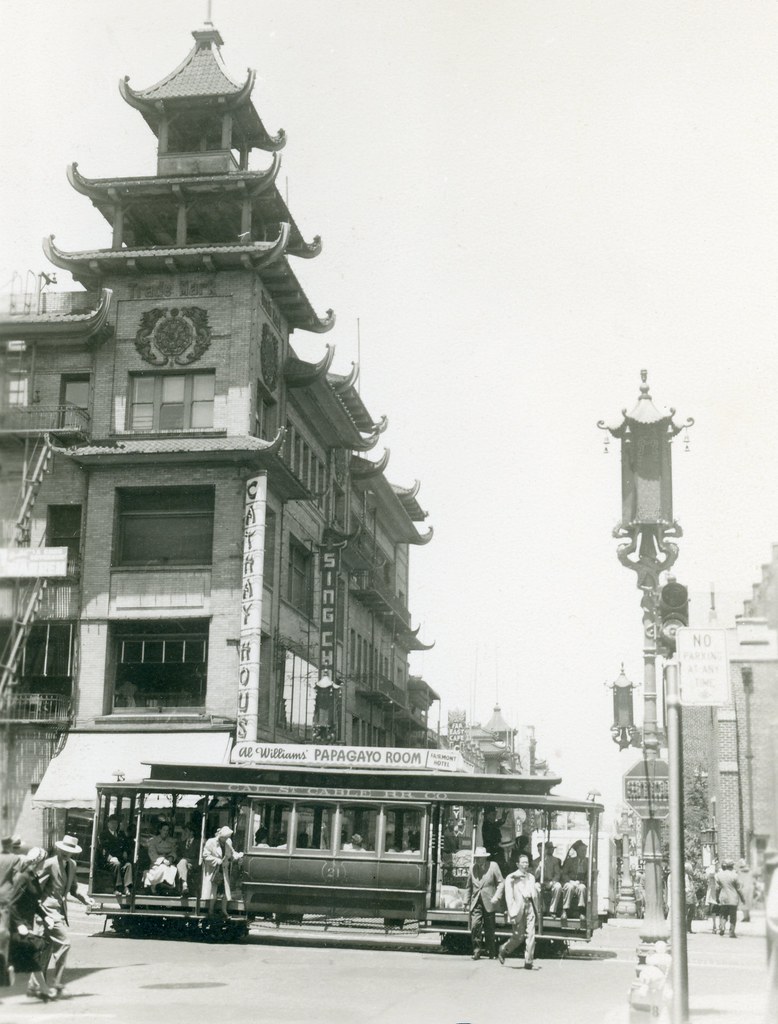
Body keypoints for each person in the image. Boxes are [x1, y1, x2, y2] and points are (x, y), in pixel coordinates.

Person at [39, 834, 94, 997]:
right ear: (58, 848)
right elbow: (36, 887)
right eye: (63, 850)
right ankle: (56, 983)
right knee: (64, 943)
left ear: (73, 853)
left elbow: (74, 888)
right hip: (48, 910)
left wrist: (85, 899)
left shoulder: (72, 865)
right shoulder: (49, 864)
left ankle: (38, 984)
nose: (65, 853)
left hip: (60, 911)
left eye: (69, 851)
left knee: (46, 947)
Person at [9, 847, 53, 1002]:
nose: (44, 863)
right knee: (40, 947)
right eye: (43, 860)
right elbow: (11, 903)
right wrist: (20, 924)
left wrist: (45, 916)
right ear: (37, 862)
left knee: (30, 955)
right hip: (15, 924)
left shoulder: (33, 877)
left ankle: (40, 988)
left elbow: (34, 903)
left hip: (26, 924)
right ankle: (42, 988)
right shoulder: (22, 877)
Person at [498, 853, 540, 970]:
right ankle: (504, 949)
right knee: (518, 936)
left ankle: (528, 961)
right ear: (518, 864)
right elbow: (509, 897)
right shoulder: (511, 878)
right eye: (523, 862)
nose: (525, 865)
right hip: (518, 908)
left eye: (527, 862)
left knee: (531, 934)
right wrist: (512, 912)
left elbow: (534, 894)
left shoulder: (531, 877)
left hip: (530, 906)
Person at [464, 846, 504, 960]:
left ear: (485, 858)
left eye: (480, 858)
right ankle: (476, 951)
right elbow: (468, 886)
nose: (478, 860)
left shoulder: (493, 866)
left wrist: (497, 896)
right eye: (477, 858)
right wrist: (466, 902)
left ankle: (491, 951)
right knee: (475, 925)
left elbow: (501, 883)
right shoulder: (472, 868)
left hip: (489, 902)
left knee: (489, 928)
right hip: (476, 901)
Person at [202, 826, 244, 917]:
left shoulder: (228, 842)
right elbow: (205, 855)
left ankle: (224, 910)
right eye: (224, 838)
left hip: (224, 870)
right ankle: (211, 910)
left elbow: (232, 854)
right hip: (214, 870)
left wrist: (239, 856)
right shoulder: (211, 842)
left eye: (227, 837)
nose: (226, 839)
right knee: (214, 891)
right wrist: (216, 860)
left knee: (225, 892)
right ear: (220, 836)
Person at [99, 814, 134, 895]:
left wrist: (125, 851)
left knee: (128, 865)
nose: (114, 825)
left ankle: (126, 888)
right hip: (107, 861)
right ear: (108, 824)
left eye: (116, 823)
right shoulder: (103, 834)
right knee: (116, 864)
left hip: (120, 859)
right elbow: (102, 849)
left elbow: (126, 844)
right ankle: (116, 888)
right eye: (112, 823)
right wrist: (110, 858)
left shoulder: (120, 834)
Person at [144, 822, 178, 893]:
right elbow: (152, 854)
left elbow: (173, 852)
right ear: (160, 830)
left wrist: (170, 859)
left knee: (172, 869)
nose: (166, 832)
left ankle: (166, 886)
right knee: (163, 868)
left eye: (167, 830)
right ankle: (155, 886)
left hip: (168, 863)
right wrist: (162, 860)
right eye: (164, 830)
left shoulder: (171, 841)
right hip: (156, 864)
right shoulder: (153, 841)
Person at [560, 840, 589, 924]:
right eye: (582, 850)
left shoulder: (587, 862)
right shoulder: (570, 861)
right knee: (569, 887)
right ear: (578, 851)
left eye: (585, 851)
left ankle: (581, 911)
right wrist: (570, 881)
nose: (584, 853)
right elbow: (564, 874)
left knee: (582, 888)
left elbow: (589, 876)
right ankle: (565, 910)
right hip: (570, 882)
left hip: (581, 883)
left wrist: (583, 882)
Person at [716, 858, 744, 937]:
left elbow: (717, 888)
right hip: (733, 898)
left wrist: (717, 897)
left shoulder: (719, 875)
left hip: (723, 897)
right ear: (732, 866)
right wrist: (742, 898)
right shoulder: (735, 875)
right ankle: (731, 932)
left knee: (723, 914)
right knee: (733, 916)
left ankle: (722, 927)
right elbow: (739, 889)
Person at [534, 840, 562, 916]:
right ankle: (542, 909)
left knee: (558, 886)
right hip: (540, 882)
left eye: (542, 850)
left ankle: (552, 910)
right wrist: (539, 868)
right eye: (539, 850)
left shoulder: (554, 860)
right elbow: (535, 876)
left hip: (550, 881)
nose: (540, 852)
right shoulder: (535, 861)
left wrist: (552, 882)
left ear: (546, 850)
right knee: (535, 886)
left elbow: (557, 874)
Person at [176, 823, 200, 896]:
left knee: (183, 861)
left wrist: (191, 863)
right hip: (183, 865)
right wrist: (185, 863)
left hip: (194, 866)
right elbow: (178, 856)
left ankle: (184, 884)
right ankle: (184, 884)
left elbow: (199, 857)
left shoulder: (198, 843)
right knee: (182, 861)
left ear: (192, 832)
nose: (184, 833)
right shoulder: (181, 844)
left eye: (186, 831)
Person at [704, 859, 720, 934]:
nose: (717, 864)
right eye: (715, 863)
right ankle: (714, 926)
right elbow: (710, 874)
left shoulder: (720, 870)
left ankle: (720, 925)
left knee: (720, 910)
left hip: (720, 893)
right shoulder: (710, 870)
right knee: (713, 910)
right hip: (713, 894)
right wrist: (713, 866)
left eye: (717, 863)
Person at [737, 858, 753, 923]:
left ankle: (745, 917)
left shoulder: (740, 873)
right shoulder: (749, 871)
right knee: (748, 902)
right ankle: (748, 916)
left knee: (743, 902)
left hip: (744, 888)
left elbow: (740, 882)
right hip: (750, 888)